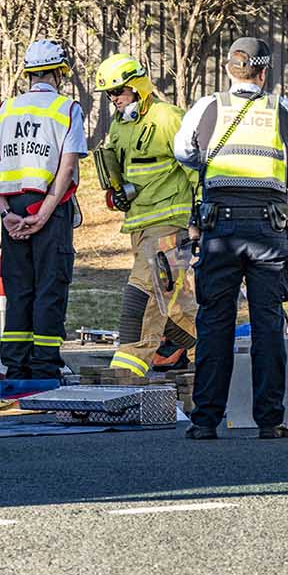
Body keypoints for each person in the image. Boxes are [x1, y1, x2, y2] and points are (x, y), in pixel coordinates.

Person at [174, 37, 288, 440]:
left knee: (214, 322)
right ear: (264, 72)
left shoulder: (207, 107)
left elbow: (184, 152)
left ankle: (205, 422)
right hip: (269, 230)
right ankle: (270, 421)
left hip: (219, 230)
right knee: (267, 325)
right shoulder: (281, 108)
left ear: (228, 70)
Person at [0, 39, 88, 381]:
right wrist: (43, 214)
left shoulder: (5, 109)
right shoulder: (66, 108)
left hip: (12, 210)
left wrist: (3, 211)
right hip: (50, 211)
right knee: (49, 287)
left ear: (27, 74)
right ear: (59, 72)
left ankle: (16, 364)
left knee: (18, 288)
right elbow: (66, 169)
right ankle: (43, 366)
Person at [91, 53, 199, 378]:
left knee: (143, 290)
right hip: (139, 224)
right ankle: (210, 356)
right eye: (110, 94)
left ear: (138, 86)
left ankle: (126, 371)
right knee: (176, 307)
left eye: (119, 91)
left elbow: (196, 168)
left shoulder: (169, 118)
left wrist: (202, 217)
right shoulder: (120, 126)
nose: (114, 99)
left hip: (170, 224)